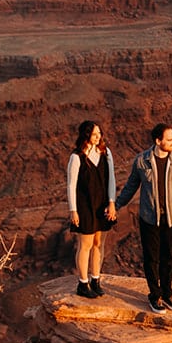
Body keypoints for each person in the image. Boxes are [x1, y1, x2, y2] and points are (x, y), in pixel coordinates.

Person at [115, 122, 172, 312]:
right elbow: (131, 186)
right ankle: (154, 296)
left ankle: (167, 293)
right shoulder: (142, 161)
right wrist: (116, 205)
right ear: (158, 141)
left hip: (171, 219)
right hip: (149, 219)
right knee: (151, 258)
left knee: (168, 258)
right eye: (170, 139)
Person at [66, 120, 117, 298]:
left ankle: (96, 279)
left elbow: (111, 179)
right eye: (95, 134)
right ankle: (83, 283)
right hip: (84, 206)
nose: (99, 137)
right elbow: (71, 185)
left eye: (99, 134)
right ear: (86, 135)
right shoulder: (77, 157)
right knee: (85, 245)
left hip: (102, 205)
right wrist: (73, 210)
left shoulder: (105, 153)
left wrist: (112, 202)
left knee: (99, 243)